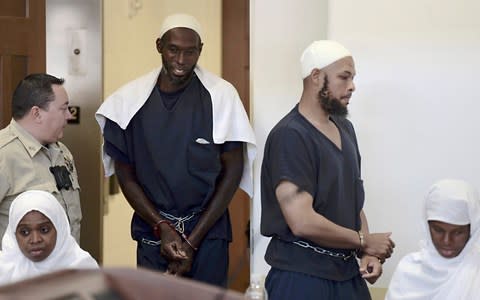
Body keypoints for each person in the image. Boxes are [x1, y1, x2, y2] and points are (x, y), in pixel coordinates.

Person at [95, 13, 255, 287]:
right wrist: (162, 227)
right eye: (173, 50)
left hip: (208, 232)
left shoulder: (221, 96)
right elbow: (125, 174)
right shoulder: (128, 102)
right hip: (153, 231)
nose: (181, 60)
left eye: (190, 52)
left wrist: (192, 242)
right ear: (159, 46)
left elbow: (233, 171)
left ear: (200, 50)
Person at [260, 40, 395, 299]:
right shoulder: (290, 136)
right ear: (316, 76)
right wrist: (364, 240)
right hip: (300, 278)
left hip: (347, 274)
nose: (352, 86)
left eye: (353, 78)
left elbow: (353, 202)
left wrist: (366, 253)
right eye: (344, 77)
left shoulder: (346, 129)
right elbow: (301, 221)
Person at [0, 74, 81, 247]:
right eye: (63, 108)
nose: (69, 115)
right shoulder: (4, 155)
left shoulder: (62, 152)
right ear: (37, 113)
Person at [385, 179, 480, 300]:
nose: (447, 241)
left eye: (458, 232)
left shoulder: (476, 271)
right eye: (438, 230)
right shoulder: (408, 270)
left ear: (472, 230)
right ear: (427, 226)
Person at [0, 190, 98, 286]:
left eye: (44, 230)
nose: (35, 240)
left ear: (59, 228)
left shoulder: (83, 269)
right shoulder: (4, 269)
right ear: (13, 235)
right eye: (24, 232)